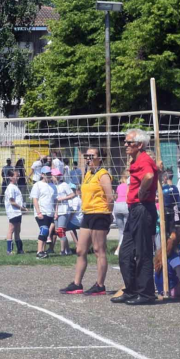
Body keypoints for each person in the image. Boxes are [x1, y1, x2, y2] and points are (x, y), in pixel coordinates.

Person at [112, 129, 159, 305]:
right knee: (125, 253)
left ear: (139, 145)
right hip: (134, 210)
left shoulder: (144, 160)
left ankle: (146, 294)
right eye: (125, 142)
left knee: (143, 252)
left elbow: (148, 175)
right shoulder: (139, 160)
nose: (125, 145)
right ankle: (131, 289)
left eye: (129, 142)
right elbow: (152, 173)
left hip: (142, 209)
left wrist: (142, 191)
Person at [60, 148, 113, 295]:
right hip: (88, 213)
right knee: (80, 250)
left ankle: (100, 285)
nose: (88, 158)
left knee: (98, 250)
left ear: (100, 158)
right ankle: (77, 284)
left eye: (91, 156)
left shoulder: (103, 175)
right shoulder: (88, 174)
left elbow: (110, 197)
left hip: (100, 213)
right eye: (86, 156)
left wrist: (109, 215)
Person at [30, 166, 57, 259]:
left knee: (46, 233)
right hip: (41, 212)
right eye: (46, 174)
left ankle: (43, 251)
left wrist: (56, 212)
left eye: (49, 174)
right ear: (42, 174)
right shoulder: (37, 185)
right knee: (44, 230)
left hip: (50, 213)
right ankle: (39, 252)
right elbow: (35, 199)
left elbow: (55, 200)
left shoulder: (53, 186)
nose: (48, 176)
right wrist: (38, 212)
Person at [53, 168, 75, 256]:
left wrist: (62, 198)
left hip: (64, 210)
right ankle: (68, 250)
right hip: (55, 210)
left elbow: (72, 194)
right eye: (55, 176)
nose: (57, 177)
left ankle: (62, 251)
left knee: (61, 230)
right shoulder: (52, 185)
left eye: (58, 176)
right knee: (57, 231)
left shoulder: (64, 185)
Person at [4, 170, 26, 255]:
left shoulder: (15, 186)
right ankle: (9, 250)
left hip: (18, 212)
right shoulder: (10, 188)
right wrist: (22, 208)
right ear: (10, 177)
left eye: (18, 176)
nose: (17, 177)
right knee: (11, 229)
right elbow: (12, 201)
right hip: (13, 212)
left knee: (18, 230)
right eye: (16, 176)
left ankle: (19, 249)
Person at [113, 171, 130, 256]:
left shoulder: (119, 186)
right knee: (126, 230)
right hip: (125, 206)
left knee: (121, 230)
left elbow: (116, 195)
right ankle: (119, 248)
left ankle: (121, 248)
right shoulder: (129, 186)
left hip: (117, 206)